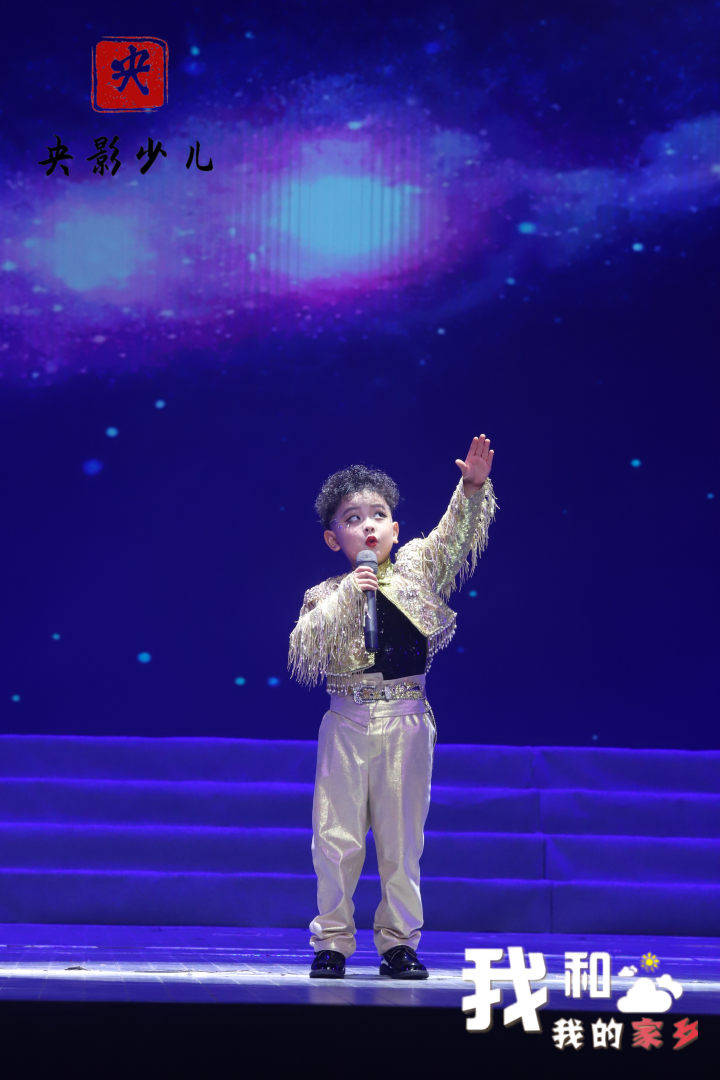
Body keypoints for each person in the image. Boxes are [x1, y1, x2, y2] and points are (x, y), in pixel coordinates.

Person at [287, 435, 498, 979]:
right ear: (333, 537)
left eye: (378, 515)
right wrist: (349, 594)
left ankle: (399, 942)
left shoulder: (416, 571)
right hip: (346, 720)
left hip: (405, 719)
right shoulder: (324, 594)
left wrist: (471, 489)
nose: (369, 527)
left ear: (396, 529)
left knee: (402, 840)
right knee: (335, 839)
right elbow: (304, 647)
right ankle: (331, 941)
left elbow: (452, 539)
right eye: (353, 518)